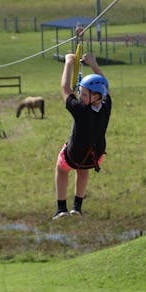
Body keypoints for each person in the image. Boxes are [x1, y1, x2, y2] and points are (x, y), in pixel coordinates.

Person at [53, 52, 111, 220]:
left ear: (95, 96)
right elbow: (106, 86)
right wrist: (94, 63)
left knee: (62, 168)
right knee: (83, 169)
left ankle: (61, 208)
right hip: (96, 156)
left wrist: (69, 62)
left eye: (84, 94)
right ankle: (77, 206)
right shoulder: (106, 105)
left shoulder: (79, 110)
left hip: (75, 154)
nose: (80, 95)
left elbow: (65, 88)